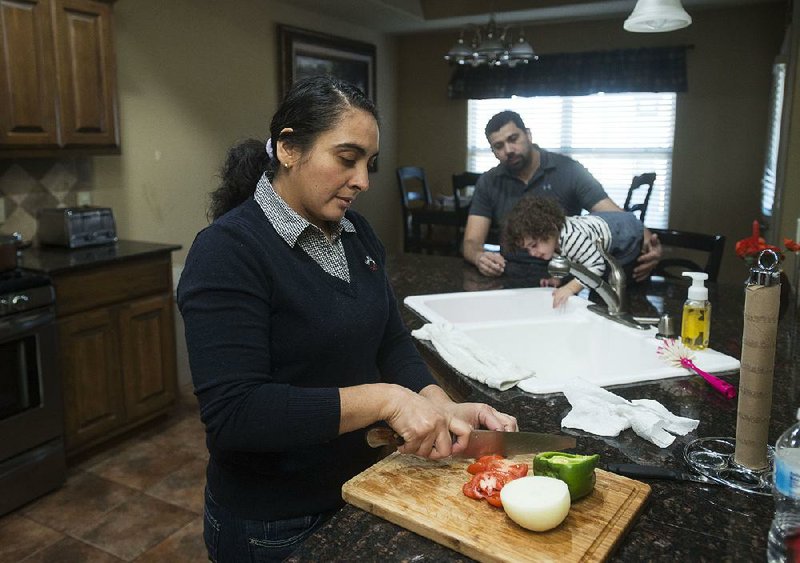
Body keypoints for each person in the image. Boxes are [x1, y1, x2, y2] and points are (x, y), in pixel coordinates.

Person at [177, 76, 518, 562]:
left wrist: (439, 405)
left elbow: (391, 341)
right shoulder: (227, 252)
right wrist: (385, 400)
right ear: (289, 149)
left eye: (368, 163)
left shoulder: (356, 234)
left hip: (360, 486)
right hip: (273, 522)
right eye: (347, 158)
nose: (363, 179)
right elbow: (236, 414)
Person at [462, 110, 661, 281]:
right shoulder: (489, 181)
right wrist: (480, 257)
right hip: (509, 274)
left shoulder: (569, 170)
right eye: (498, 146)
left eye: (513, 139)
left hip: (564, 274)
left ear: (528, 135)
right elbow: (471, 242)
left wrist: (650, 244)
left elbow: (616, 216)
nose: (508, 150)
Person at [503, 195, 644, 308]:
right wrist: (557, 280)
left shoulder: (571, 239)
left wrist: (570, 288)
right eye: (527, 248)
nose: (532, 253)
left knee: (613, 276)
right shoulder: (554, 238)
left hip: (626, 235)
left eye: (534, 245)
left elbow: (596, 266)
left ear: (549, 228)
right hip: (601, 225)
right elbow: (566, 260)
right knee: (590, 262)